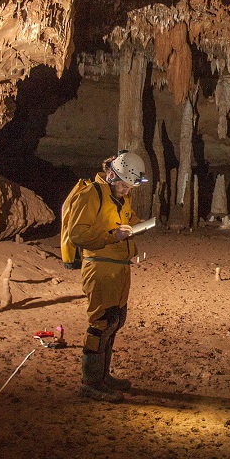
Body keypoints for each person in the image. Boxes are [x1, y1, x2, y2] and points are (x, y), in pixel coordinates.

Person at [61, 150, 149, 402]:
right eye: (123, 184)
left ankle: (103, 376)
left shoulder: (120, 197)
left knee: (115, 321)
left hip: (119, 267)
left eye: (130, 186)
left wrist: (138, 224)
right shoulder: (90, 196)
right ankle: (89, 381)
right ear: (111, 175)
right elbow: (77, 234)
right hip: (99, 266)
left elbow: (127, 218)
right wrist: (112, 236)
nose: (126, 190)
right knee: (100, 324)